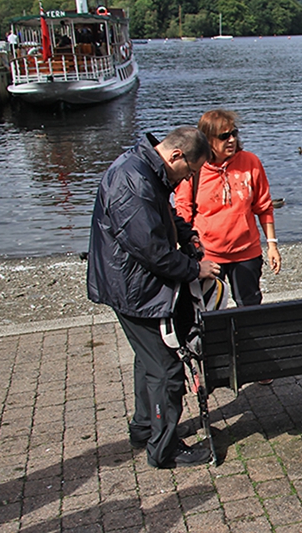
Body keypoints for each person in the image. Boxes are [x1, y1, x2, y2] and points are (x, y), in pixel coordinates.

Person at [87, 126, 219, 468]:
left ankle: (145, 427)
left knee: (147, 359)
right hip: (135, 289)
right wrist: (195, 270)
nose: (186, 181)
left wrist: (187, 232)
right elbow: (153, 251)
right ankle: (164, 450)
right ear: (176, 155)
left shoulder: (146, 170)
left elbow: (162, 214)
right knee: (166, 370)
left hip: (130, 285)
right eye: (188, 172)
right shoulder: (133, 181)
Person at [175, 109, 281, 310]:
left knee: (249, 308)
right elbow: (183, 211)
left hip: (246, 253)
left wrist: (272, 245)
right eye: (224, 136)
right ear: (207, 140)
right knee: (208, 310)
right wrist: (179, 250)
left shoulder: (250, 162)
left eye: (234, 133)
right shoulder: (194, 168)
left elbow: (264, 206)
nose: (231, 140)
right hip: (208, 255)